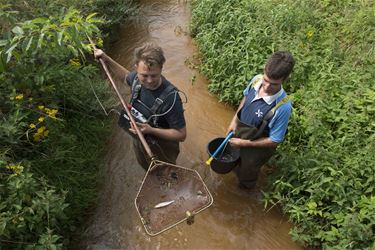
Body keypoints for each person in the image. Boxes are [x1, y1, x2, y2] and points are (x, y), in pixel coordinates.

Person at [94, 43, 186, 170]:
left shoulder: (171, 99)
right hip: (140, 140)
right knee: (146, 168)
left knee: (166, 174)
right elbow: (125, 76)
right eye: (144, 75)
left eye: (154, 75)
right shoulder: (136, 80)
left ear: (161, 68)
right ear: (136, 68)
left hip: (162, 147)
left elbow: (181, 135)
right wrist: (106, 58)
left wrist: (151, 130)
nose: (149, 81)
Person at [227, 51, 295, 189]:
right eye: (266, 80)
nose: (267, 87)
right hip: (239, 136)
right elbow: (245, 98)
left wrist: (244, 143)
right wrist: (234, 120)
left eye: (274, 84)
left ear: (285, 79)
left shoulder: (283, 106)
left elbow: (275, 139)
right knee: (231, 163)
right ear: (264, 70)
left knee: (246, 178)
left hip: (255, 149)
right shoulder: (256, 80)